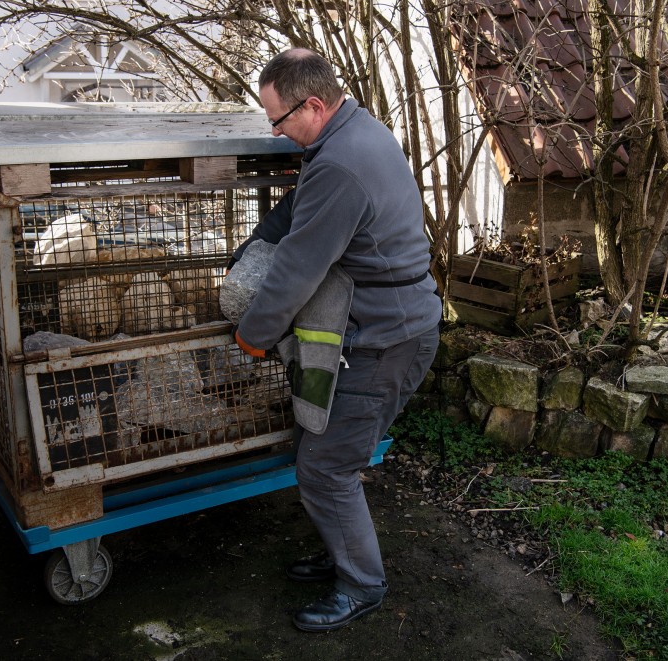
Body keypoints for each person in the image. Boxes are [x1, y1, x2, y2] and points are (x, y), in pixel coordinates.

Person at [229, 48, 441, 632]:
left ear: (313, 105)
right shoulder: (353, 134)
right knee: (321, 447)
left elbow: (298, 268)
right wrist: (248, 251)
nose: (274, 131)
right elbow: (296, 212)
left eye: (277, 120)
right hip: (384, 327)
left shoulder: (341, 163)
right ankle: (342, 548)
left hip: (384, 341)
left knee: (325, 468)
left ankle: (362, 585)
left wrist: (250, 337)